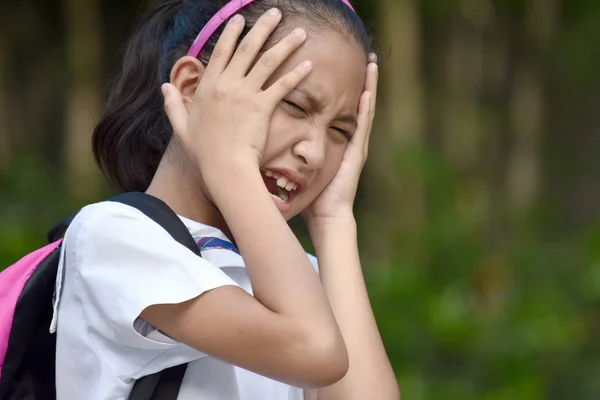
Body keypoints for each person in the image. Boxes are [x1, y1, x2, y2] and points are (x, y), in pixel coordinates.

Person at [51, 0, 399, 398]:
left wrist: (334, 220)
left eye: (341, 131)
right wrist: (229, 159)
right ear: (192, 89)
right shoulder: (115, 239)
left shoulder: (302, 280)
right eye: (296, 105)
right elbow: (314, 350)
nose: (315, 153)